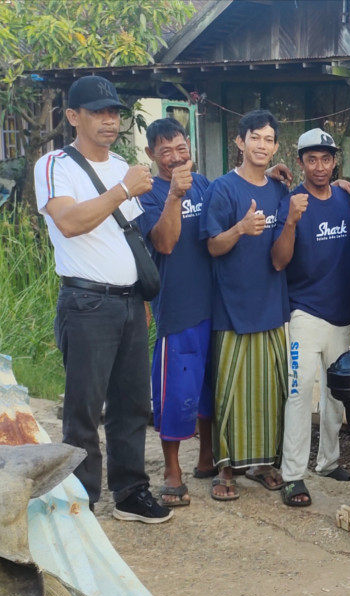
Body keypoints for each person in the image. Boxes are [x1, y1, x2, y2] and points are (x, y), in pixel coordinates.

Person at [33, 75, 172, 523]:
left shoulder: (121, 166)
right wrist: (123, 190)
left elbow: (131, 239)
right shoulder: (56, 165)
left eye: (114, 112)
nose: (110, 119)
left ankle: (131, 491)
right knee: (83, 410)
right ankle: (81, 499)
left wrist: (141, 299)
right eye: (98, 112)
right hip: (86, 304)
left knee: (132, 405)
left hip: (130, 304)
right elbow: (70, 222)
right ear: (73, 117)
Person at [200, 109, 290, 501]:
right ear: (240, 142)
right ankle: (225, 468)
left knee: (271, 390)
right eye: (255, 137)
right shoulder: (222, 189)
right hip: (231, 307)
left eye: (269, 139)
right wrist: (240, 228)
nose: (262, 145)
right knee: (230, 391)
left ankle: (266, 463)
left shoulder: (278, 190)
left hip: (271, 303)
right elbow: (212, 246)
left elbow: (283, 252)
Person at [270, 128, 350, 506]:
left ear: (335, 160)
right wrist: (290, 220)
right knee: (300, 391)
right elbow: (278, 260)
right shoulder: (292, 202)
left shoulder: (346, 197)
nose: (319, 166)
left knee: (336, 395)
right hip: (304, 313)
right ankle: (292, 475)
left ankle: (328, 461)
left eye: (326, 159)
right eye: (311, 159)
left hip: (341, 313)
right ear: (300, 161)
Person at [136, 118, 214, 509]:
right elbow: (164, 243)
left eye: (180, 148)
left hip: (212, 305)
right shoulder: (147, 194)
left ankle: (206, 458)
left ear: (190, 148)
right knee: (174, 392)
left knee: (208, 389)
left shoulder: (202, 184)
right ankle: (172, 470)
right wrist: (173, 196)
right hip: (176, 308)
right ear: (151, 155)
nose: (175, 157)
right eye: (165, 151)